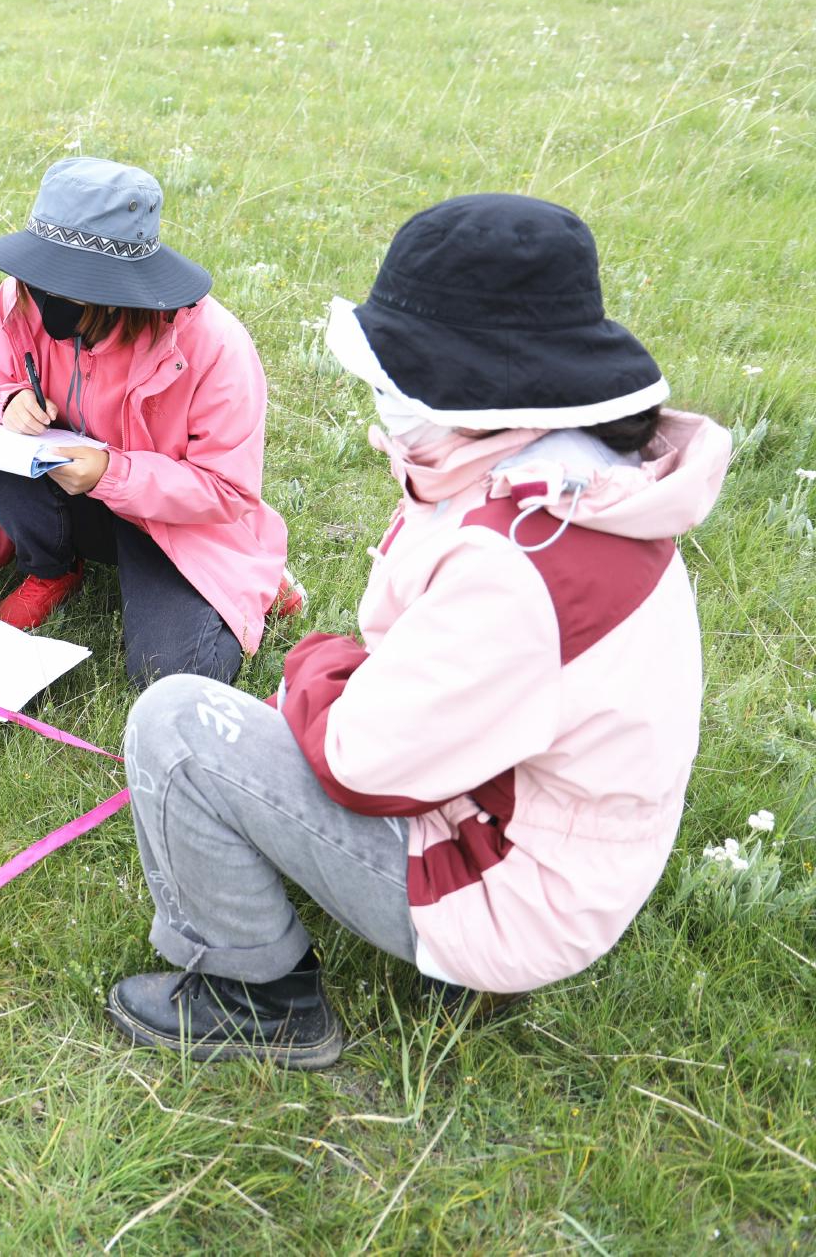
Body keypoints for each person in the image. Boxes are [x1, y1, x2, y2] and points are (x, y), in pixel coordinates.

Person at [105, 193, 731, 1068]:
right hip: (553, 835)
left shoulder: (517, 561)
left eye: (396, 376)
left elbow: (361, 763)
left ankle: (259, 997)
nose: (383, 397)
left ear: (478, 384)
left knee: (176, 724)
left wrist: (314, 668)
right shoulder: (578, 483)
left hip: (512, 883)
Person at [0, 157, 293, 686]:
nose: (46, 297)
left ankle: (255, 574)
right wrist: (5, 405)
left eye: (70, 285)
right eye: (41, 275)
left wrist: (110, 474)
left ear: (121, 290)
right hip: (69, 491)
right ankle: (53, 567)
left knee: (174, 677)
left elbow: (227, 490)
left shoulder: (214, 345)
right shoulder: (18, 298)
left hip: (176, 525)